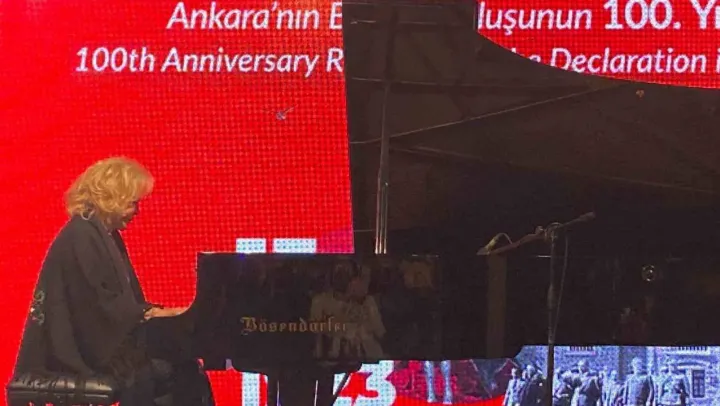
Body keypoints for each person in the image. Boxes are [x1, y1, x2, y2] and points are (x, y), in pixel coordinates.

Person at [13, 157, 213, 406]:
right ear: (111, 198)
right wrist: (155, 314)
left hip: (97, 340)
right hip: (79, 353)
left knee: (184, 364)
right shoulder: (81, 236)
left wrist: (153, 313)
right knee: (170, 370)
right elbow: (99, 311)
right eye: (132, 203)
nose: (137, 211)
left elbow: (115, 305)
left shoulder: (101, 234)